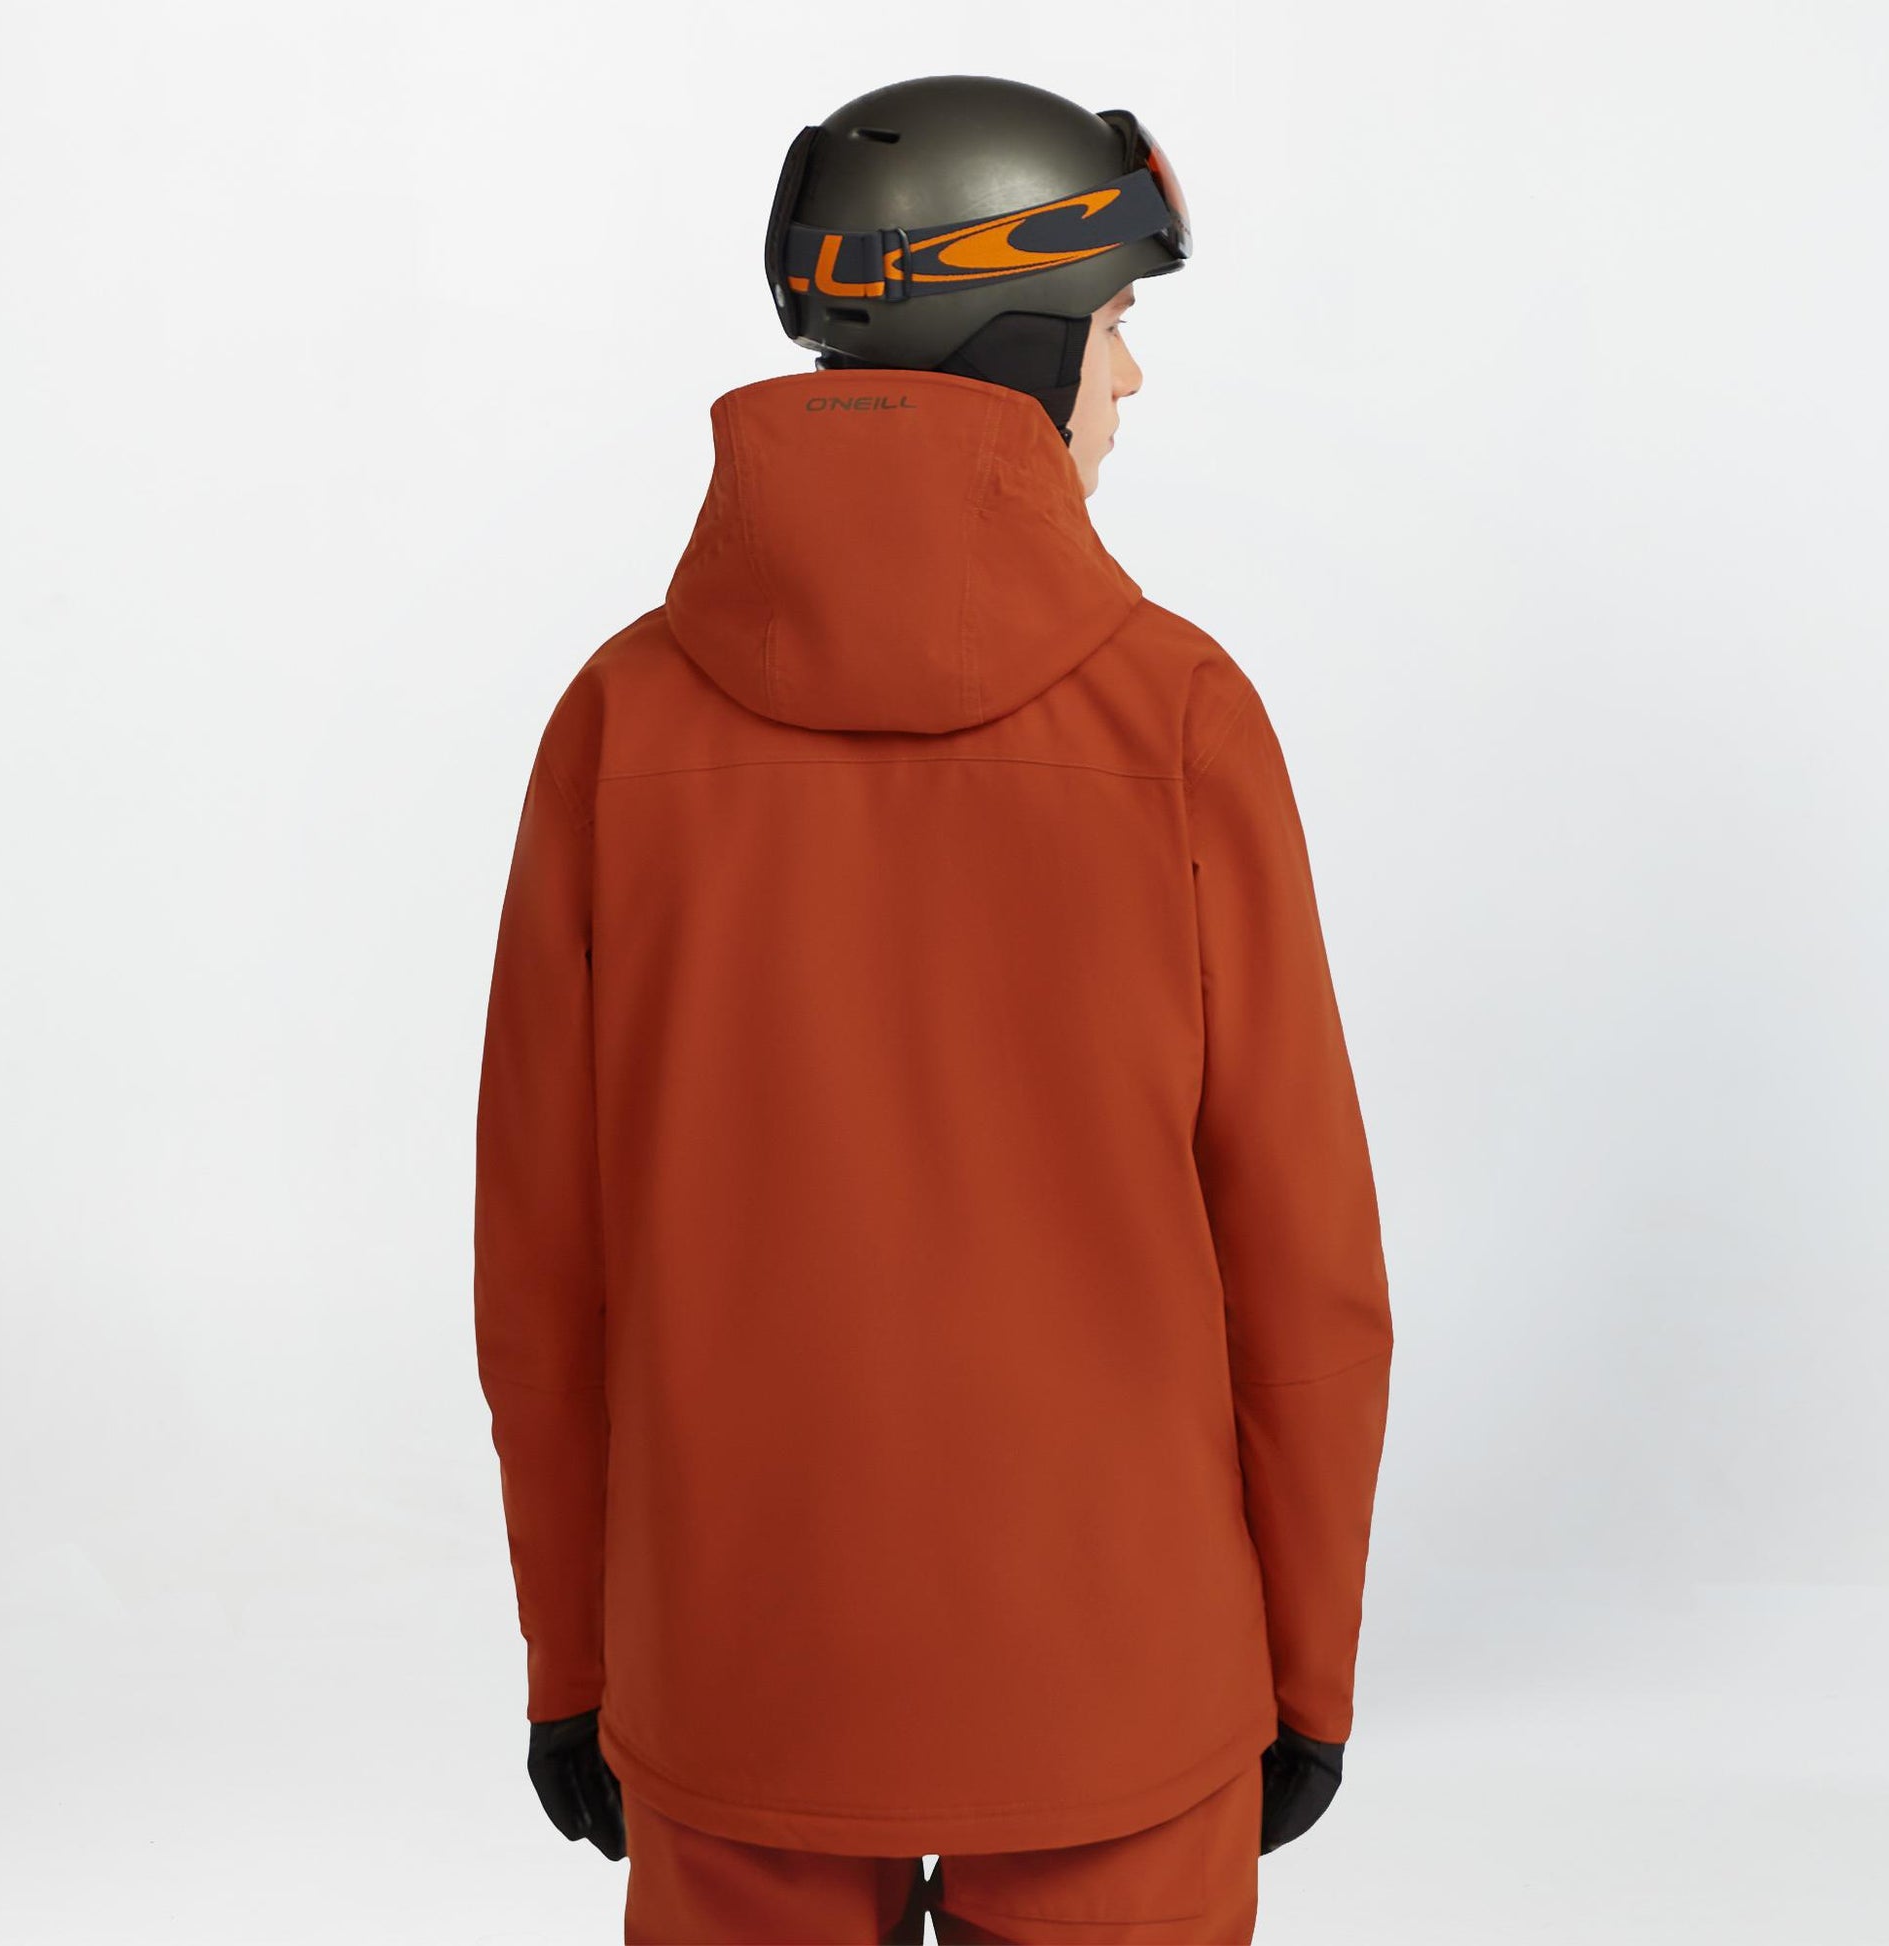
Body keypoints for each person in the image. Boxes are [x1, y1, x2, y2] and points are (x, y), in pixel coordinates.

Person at [474, 72, 1394, 1944]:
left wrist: (578, 1660)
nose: (1131, 376)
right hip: (1116, 1672)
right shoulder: (1180, 716)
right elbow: (1301, 1261)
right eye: (1114, 322)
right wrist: (1304, 1671)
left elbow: (543, 1267)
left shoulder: (617, 720)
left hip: (735, 1661)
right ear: (1021, 333)